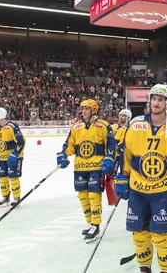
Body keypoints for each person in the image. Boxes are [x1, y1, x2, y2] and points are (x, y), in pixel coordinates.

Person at [115, 84, 167, 273]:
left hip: (164, 192)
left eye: (161, 99)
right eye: (154, 98)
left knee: (163, 238)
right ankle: (145, 269)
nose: (156, 103)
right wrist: (122, 178)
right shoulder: (135, 125)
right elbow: (127, 154)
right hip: (138, 191)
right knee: (139, 236)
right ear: (149, 101)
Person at [56, 99, 116, 242]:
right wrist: (63, 154)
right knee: (83, 196)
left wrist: (109, 158)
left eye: (86, 108)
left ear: (94, 110)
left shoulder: (103, 126)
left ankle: (96, 224)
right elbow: (69, 144)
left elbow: (111, 145)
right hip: (80, 167)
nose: (83, 111)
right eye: (82, 108)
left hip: (96, 167)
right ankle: (89, 222)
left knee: (94, 196)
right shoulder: (76, 127)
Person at [0, 107, 26, 208]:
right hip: (3, 158)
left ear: (0, 116)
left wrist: (15, 154)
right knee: (2, 177)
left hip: (14, 157)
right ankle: (5, 197)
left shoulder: (12, 126)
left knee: (13, 177)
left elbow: (21, 142)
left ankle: (16, 198)